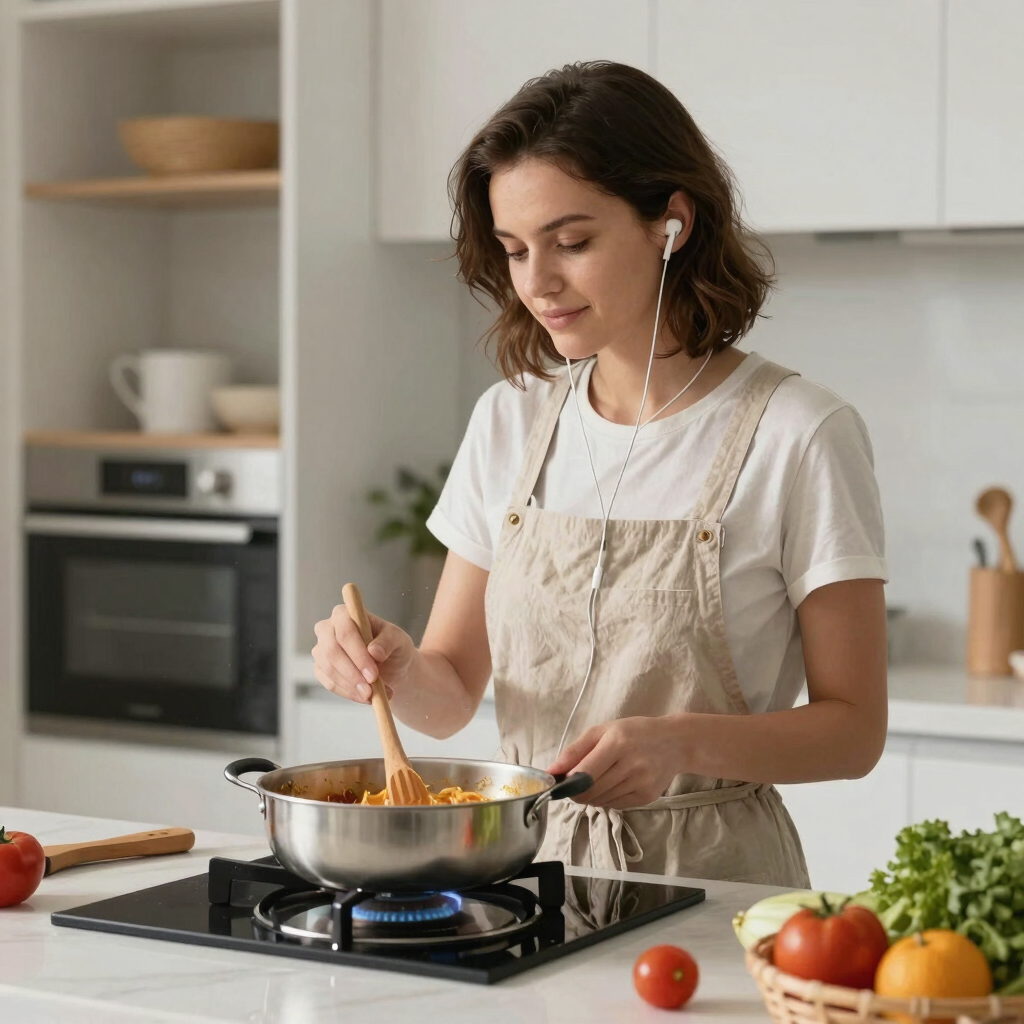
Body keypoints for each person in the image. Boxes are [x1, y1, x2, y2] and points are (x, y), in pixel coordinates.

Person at [312, 61, 888, 887]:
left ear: (671, 223)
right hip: (524, 874)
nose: (536, 283)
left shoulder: (800, 432)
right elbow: (451, 695)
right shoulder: (510, 420)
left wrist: (680, 743)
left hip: (714, 885)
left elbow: (854, 732)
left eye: (572, 243)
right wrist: (395, 670)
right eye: (515, 250)